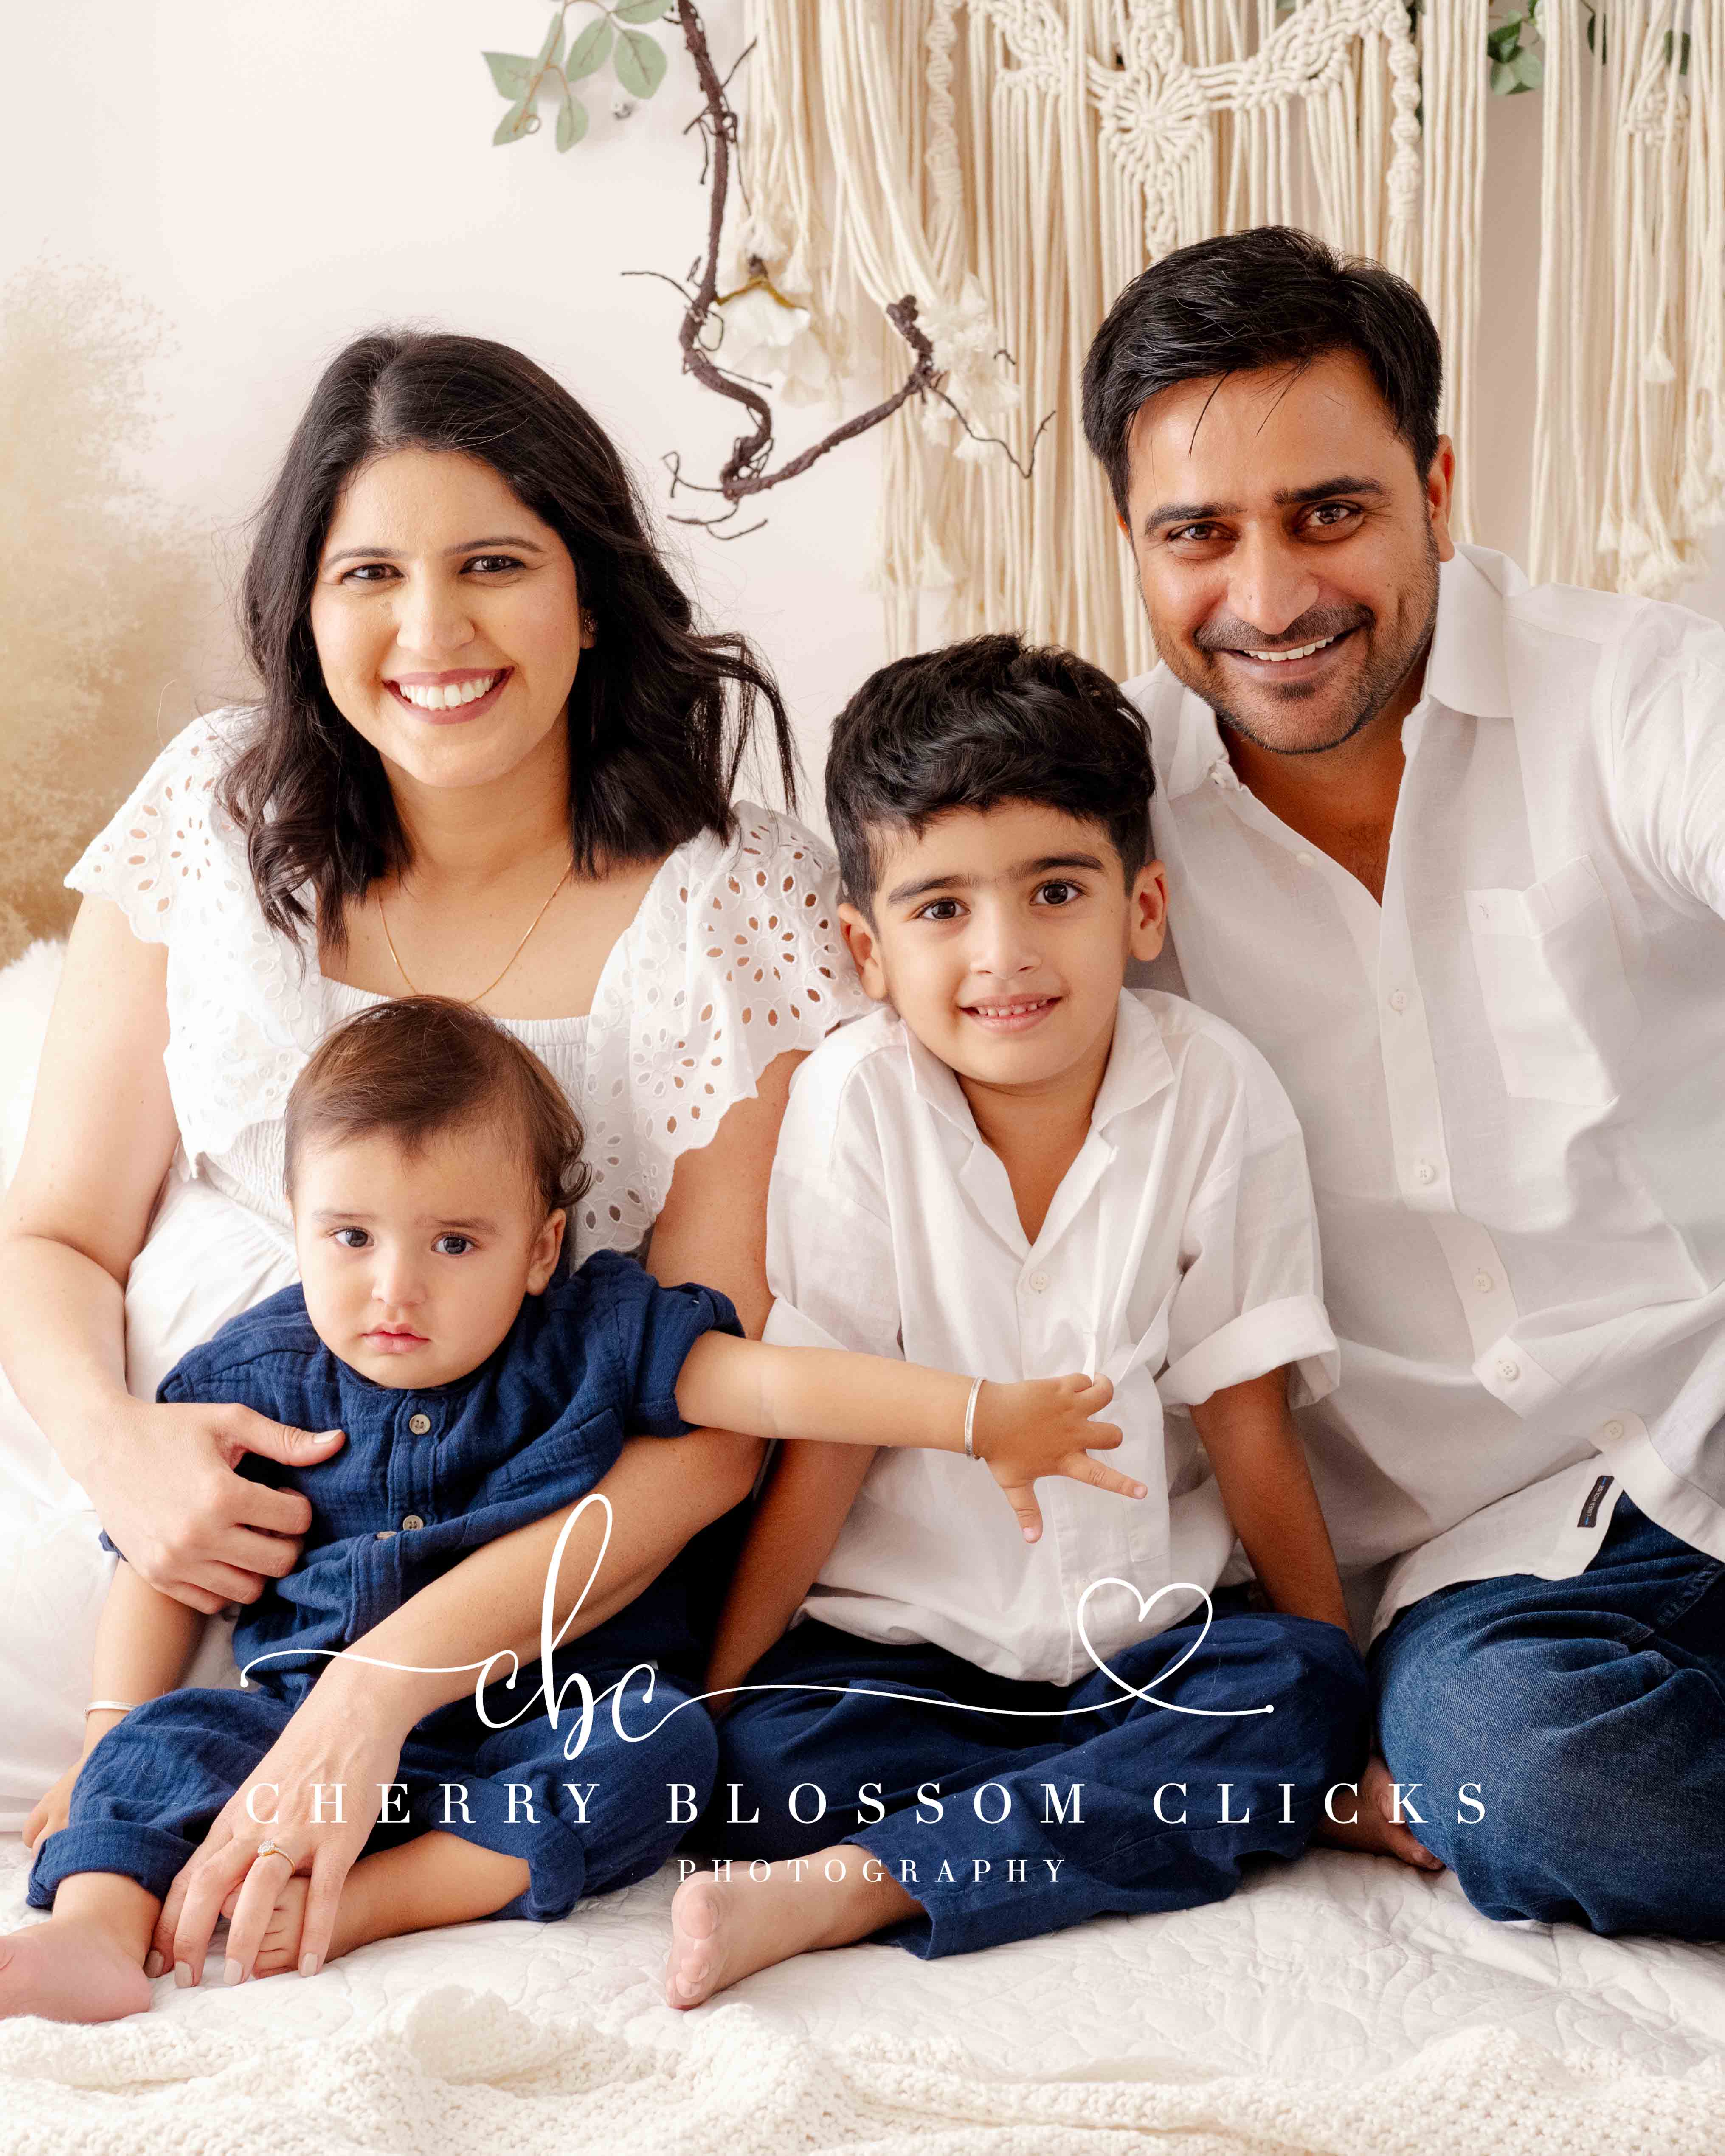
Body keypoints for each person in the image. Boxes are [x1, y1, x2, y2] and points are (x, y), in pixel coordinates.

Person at [0, 326, 872, 1987]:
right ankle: (104, 1891)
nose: (431, 632)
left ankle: (339, 1886)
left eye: (493, 565)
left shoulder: (736, 900)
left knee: (650, 1750)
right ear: (301, 607)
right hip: (166, 1549)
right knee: (104, 1730)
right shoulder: (214, 814)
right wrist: (124, 1461)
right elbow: (49, 1237)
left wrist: (379, 1686)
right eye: (370, 575)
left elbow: (710, 1432)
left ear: (591, 594)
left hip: (531, 1601)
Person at [8, 996, 1134, 2023]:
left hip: (542, 1728)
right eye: (351, 1238)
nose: (395, 1288)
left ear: (543, 1248)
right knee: (161, 1744)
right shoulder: (258, 1376)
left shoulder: (594, 1340)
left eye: (455, 1243)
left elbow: (777, 1388)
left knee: (664, 1748)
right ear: (298, 1222)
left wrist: (980, 1415)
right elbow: (167, 1566)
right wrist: (104, 1744)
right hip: (297, 1732)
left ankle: (359, 1908)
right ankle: (96, 1936)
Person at [1081, 223, 1725, 1937]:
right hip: (1492, 1576)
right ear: (1129, 543)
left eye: (1328, 513)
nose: (1268, 597)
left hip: (1711, 1397)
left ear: (1435, 488)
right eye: (1198, 535)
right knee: (1519, 1773)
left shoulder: (1636, 696)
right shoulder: (1095, 837)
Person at [661, 633, 1373, 2009]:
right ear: (867, 949)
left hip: (1147, 1654)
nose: (1005, 955)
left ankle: (871, 1882)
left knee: (1302, 1699)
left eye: (1056, 890)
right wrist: (723, 1693)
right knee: (756, 1767)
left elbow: (1250, 1430)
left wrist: (1347, 1722)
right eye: (941, 908)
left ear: (1142, 907)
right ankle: (1100, 1820)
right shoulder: (856, 1104)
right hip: (905, 1663)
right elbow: (827, 1434)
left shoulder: (1215, 1092)